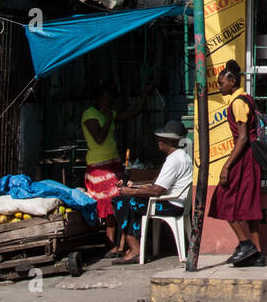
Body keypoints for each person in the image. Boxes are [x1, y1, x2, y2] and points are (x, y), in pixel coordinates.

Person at [109, 120, 193, 264]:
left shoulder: (174, 160)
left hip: (172, 205)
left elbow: (157, 191)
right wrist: (135, 186)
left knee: (123, 202)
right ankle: (134, 246)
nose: (158, 141)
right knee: (128, 200)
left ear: (170, 140)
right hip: (176, 202)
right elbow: (158, 185)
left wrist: (131, 192)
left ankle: (135, 249)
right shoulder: (180, 156)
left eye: (161, 139)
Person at [210, 59, 266, 267]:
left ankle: (245, 244)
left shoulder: (239, 102)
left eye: (222, 82)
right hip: (249, 158)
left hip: (244, 157)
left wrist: (226, 166)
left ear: (232, 81)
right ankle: (257, 254)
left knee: (222, 198)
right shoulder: (247, 98)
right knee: (249, 207)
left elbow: (242, 138)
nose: (219, 86)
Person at [81, 82, 146, 255]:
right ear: (98, 99)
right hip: (98, 166)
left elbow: (132, 113)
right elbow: (99, 138)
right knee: (109, 204)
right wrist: (109, 118)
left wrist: (145, 95)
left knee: (117, 202)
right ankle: (111, 244)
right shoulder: (90, 115)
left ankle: (117, 245)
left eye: (109, 101)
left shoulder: (109, 112)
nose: (107, 103)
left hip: (113, 163)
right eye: (104, 100)